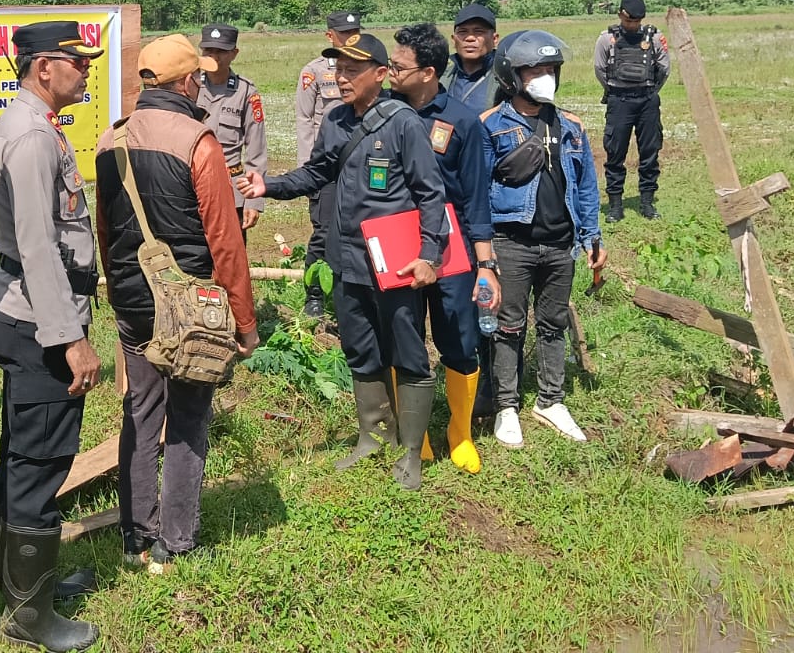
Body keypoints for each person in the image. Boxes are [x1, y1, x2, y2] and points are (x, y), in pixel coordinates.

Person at [240, 33, 448, 491]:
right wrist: (268, 186)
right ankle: (373, 437)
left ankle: (411, 452)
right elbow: (317, 173)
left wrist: (429, 255)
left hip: (395, 264)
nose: (341, 77)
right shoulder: (335, 120)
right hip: (348, 258)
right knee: (360, 348)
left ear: (381, 74)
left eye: (353, 69)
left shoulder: (404, 123)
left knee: (408, 353)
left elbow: (431, 194)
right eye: (338, 68)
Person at [94, 35, 258, 572]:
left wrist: (119, 292)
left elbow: (104, 228)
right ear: (187, 82)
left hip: (133, 301)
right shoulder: (198, 142)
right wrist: (244, 321)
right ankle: (177, 539)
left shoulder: (110, 139)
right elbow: (225, 242)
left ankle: (135, 536)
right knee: (188, 416)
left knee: (140, 411)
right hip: (190, 307)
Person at [0, 21, 105, 652]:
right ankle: (29, 615)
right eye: (78, 62)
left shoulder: (28, 125)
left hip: (26, 312)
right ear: (44, 67)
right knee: (42, 460)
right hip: (40, 324)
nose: (87, 71)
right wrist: (69, 337)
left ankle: (22, 586)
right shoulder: (32, 137)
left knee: (22, 451)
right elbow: (35, 245)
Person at [481, 31, 606, 447]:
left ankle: (551, 400)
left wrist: (592, 236)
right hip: (511, 242)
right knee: (508, 325)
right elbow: (476, 190)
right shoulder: (491, 126)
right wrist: (482, 249)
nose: (544, 77)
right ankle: (506, 405)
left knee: (553, 324)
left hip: (560, 244)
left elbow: (585, 186)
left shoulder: (571, 126)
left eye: (550, 69)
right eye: (534, 70)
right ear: (511, 75)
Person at [386, 24, 497, 474]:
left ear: (428, 72)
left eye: (398, 66)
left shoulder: (462, 121)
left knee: (460, 339)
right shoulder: (384, 113)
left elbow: (476, 197)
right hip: (398, 239)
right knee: (404, 336)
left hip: (452, 247)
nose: (390, 72)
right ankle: (414, 434)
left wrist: (485, 264)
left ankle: (460, 433)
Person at [294, 10, 364, 318]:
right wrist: (308, 171)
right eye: (343, 33)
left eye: (354, 32)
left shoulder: (368, 66)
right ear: (329, 36)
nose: (350, 37)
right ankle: (314, 296)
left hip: (360, 162)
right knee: (323, 232)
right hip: (326, 165)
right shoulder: (315, 71)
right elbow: (305, 120)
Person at [594, 0, 671, 221]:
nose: (632, 25)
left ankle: (647, 203)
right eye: (628, 21)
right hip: (619, 101)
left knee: (649, 152)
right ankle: (615, 206)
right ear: (620, 15)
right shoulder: (606, 39)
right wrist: (614, 91)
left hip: (647, 100)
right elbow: (600, 69)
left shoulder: (654, 37)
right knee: (615, 153)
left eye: (636, 21)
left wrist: (651, 91)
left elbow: (664, 69)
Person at [195, 23, 267, 236]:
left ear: (234, 53)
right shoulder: (189, 87)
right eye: (208, 50)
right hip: (193, 188)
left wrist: (253, 200)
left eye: (221, 51)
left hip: (230, 189)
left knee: (231, 252)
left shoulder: (245, 91)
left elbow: (256, 150)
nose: (214, 56)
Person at [441, 3, 499, 113]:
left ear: (494, 39)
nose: (470, 38)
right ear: (454, 40)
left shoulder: (506, 79)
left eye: (479, 32)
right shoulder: (441, 77)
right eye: (463, 32)